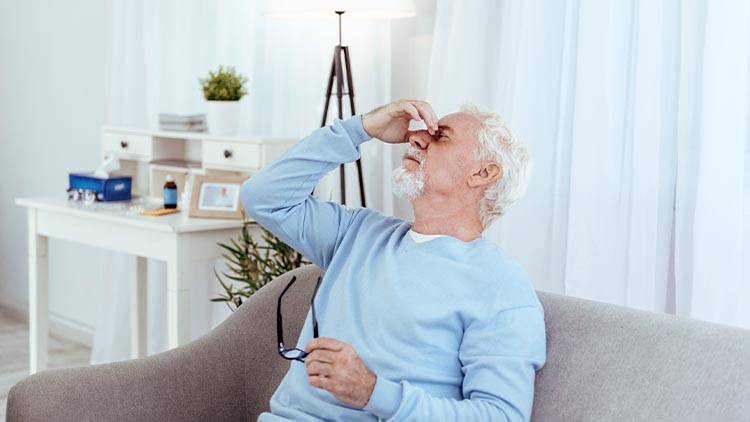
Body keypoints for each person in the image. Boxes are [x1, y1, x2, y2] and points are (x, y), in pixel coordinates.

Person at [241, 99, 546, 421]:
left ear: (482, 173)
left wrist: (373, 393)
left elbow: (501, 416)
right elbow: (264, 198)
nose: (416, 138)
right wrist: (360, 129)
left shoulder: (499, 284)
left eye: (440, 136)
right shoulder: (359, 233)